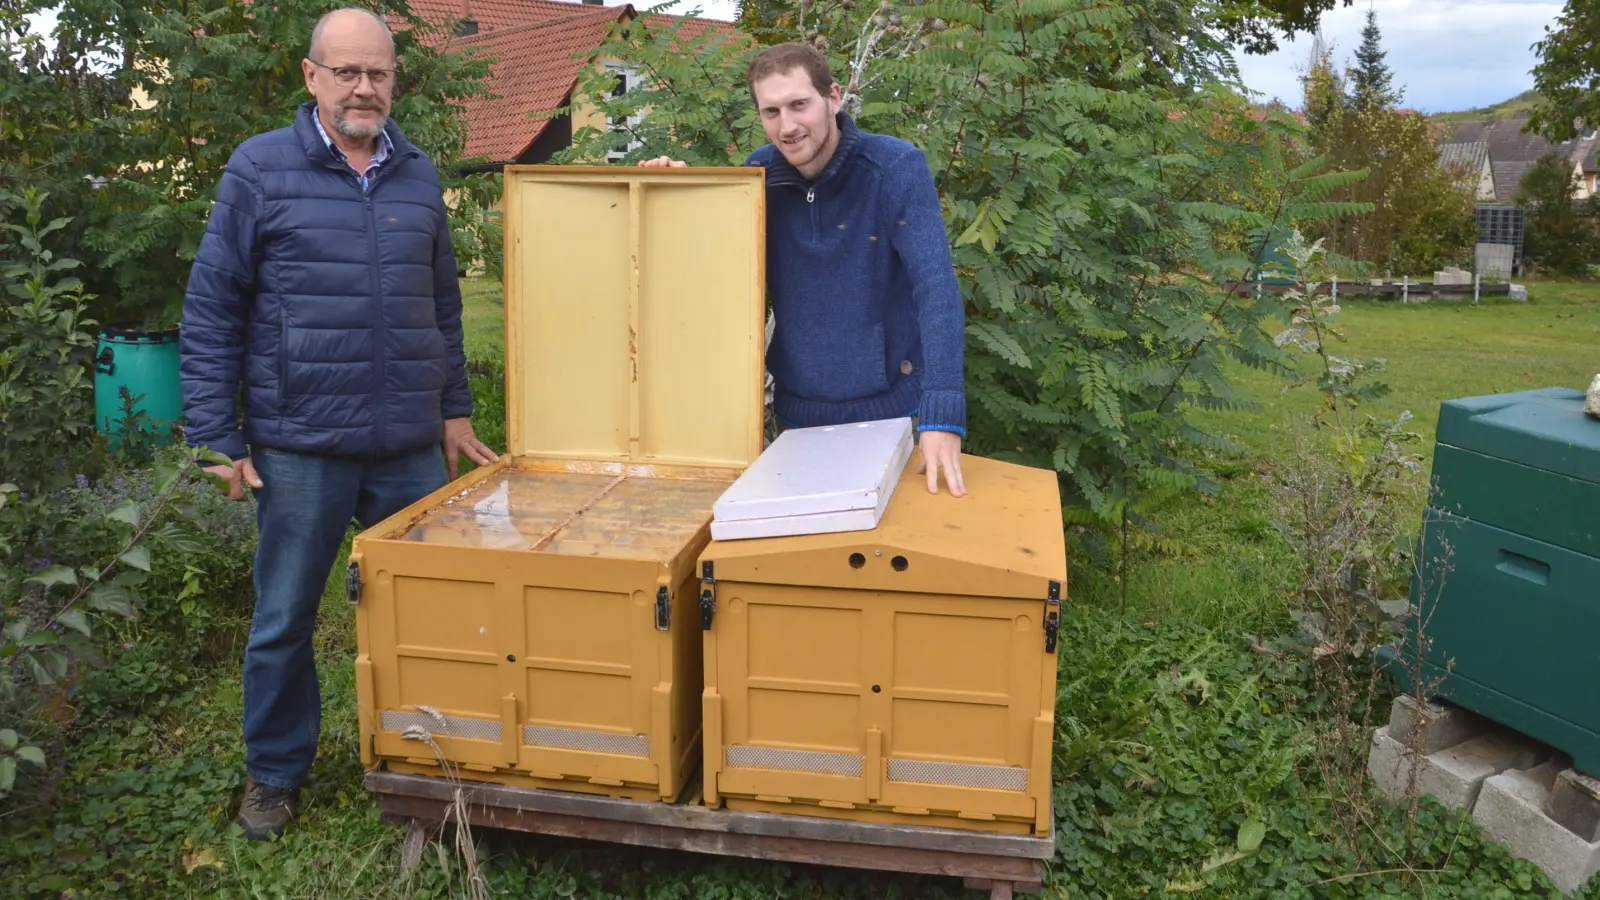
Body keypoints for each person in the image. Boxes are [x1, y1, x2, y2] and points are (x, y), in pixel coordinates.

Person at [179, 6, 498, 841]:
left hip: (405, 446)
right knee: (284, 617)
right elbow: (213, 308)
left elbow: (443, 305)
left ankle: (428, 762)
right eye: (347, 72)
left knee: (430, 612)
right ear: (312, 76)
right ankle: (275, 773)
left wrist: (454, 409)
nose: (364, 87)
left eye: (378, 73)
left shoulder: (419, 174)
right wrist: (217, 435)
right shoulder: (260, 170)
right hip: (300, 447)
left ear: (396, 80)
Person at [642, 42, 968, 496]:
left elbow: (936, 290)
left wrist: (943, 416)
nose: (788, 126)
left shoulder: (894, 168)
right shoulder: (757, 177)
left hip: (893, 414)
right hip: (795, 417)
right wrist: (677, 197)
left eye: (799, 104)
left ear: (833, 98)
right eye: (771, 111)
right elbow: (721, 285)